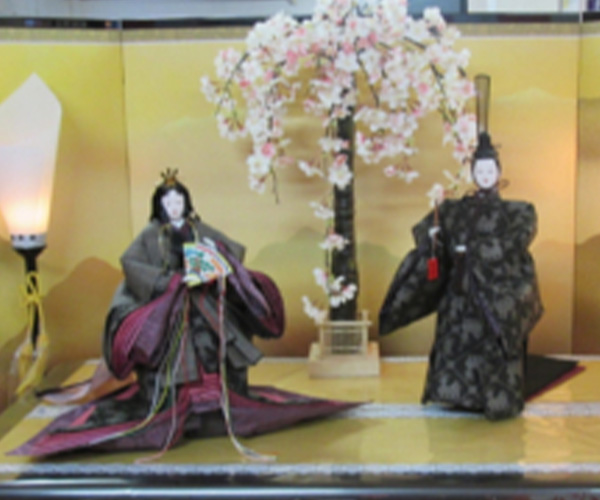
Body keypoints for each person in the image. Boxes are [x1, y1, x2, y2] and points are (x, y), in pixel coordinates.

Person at [11, 170, 356, 457]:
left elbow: (230, 250)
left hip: (203, 300)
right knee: (171, 352)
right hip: (171, 304)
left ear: (187, 203)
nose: (174, 206)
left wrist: (216, 262)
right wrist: (171, 281)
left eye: (179, 201)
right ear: (159, 205)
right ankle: (176, 409)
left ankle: (219, 405)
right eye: (169, 202)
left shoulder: (198, 229)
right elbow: (132, 265)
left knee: (220, 346)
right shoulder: (150, 235)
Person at [379, 133, 543, 420]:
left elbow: (514, 244)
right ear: (472, 174)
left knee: (494, 341)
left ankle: (494, 399)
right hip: (459, 292)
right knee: (454, 339)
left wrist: (474, 250)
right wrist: (434, 237)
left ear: (499, 172)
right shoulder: (454, 210)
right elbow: (433, 232)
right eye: (480, 171)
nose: (485, 175)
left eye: (490, 170)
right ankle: (453, 395)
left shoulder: (518, 212)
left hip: (493, 292)